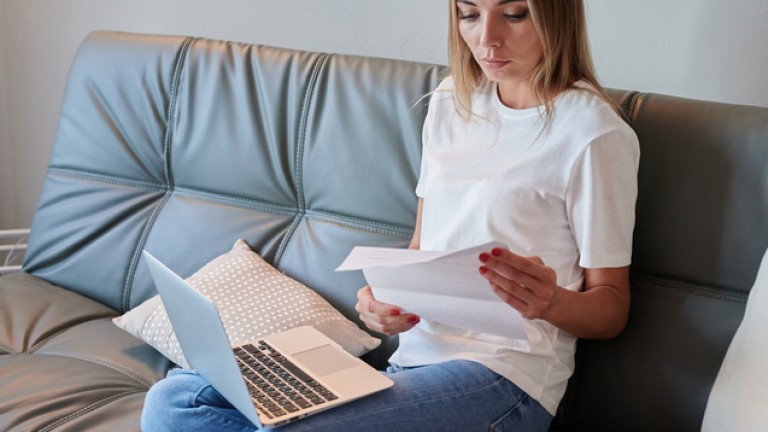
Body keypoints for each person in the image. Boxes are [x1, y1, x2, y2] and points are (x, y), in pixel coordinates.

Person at [141, 0, 639, 431]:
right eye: (468, 14)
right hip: (409, 368)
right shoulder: (451, 103)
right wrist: (384, 302)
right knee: (173, 400)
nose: (486, 38)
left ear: (556, 16)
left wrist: (548, 301)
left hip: (504, 383)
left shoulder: (594, 134)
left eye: (514, 14)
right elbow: (422, 250)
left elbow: (611, 307)